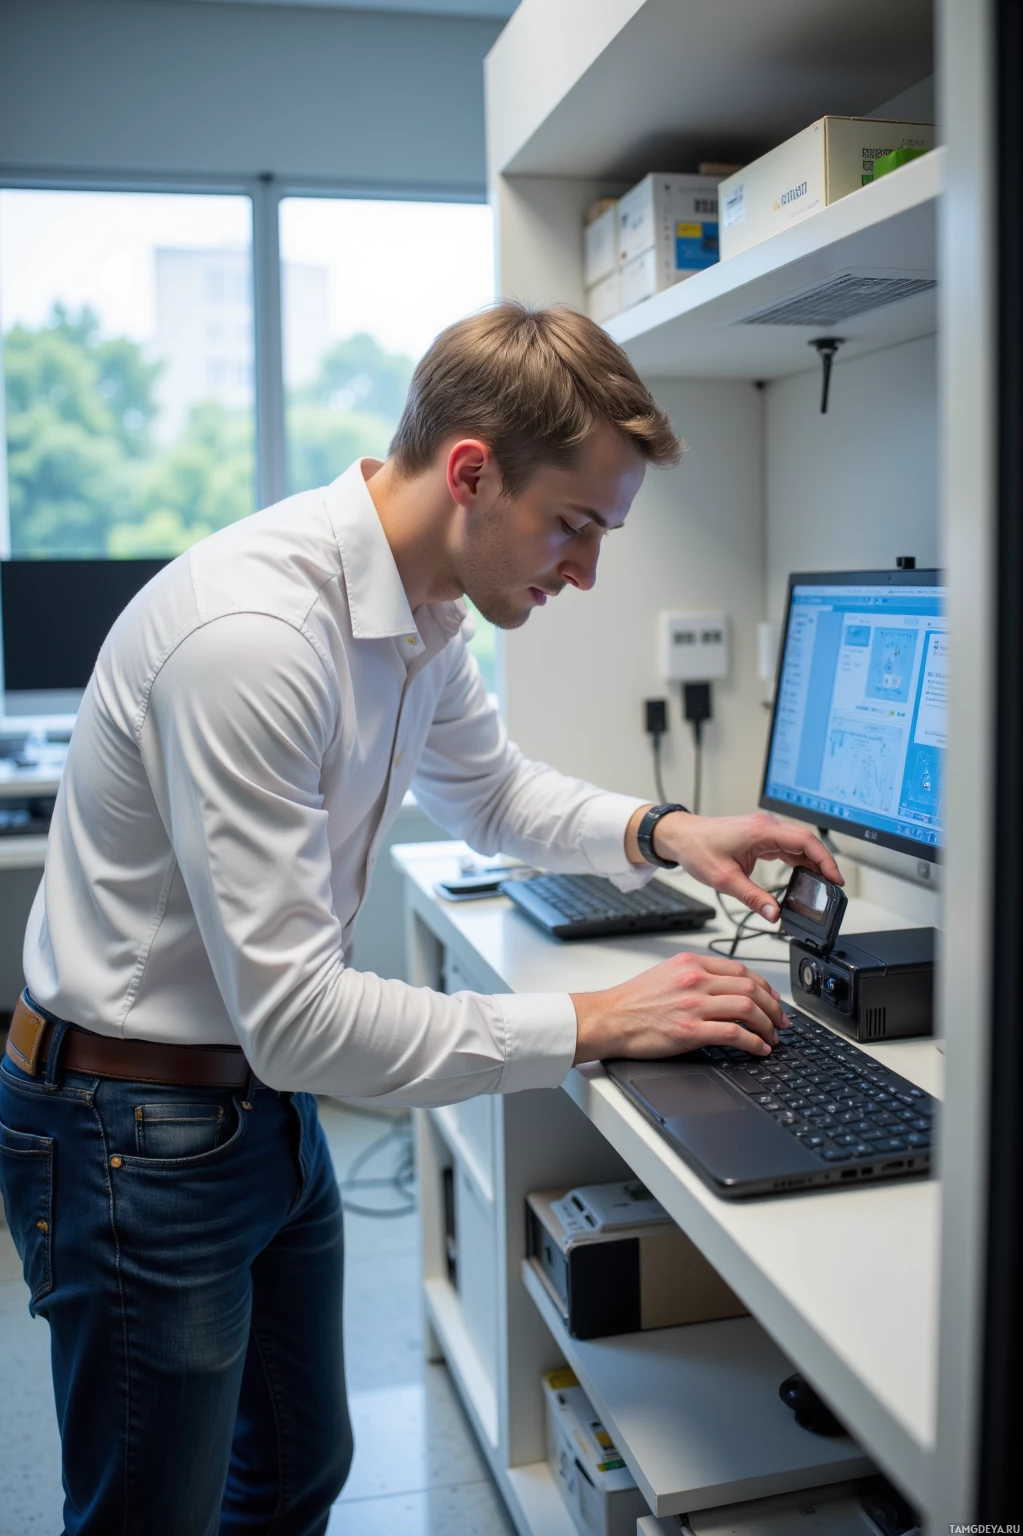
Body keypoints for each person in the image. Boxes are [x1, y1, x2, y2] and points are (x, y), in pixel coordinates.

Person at [0, 302, 841, 1535]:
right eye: (573, 525)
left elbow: (490, 793)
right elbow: (297, 1022)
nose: (586, 570)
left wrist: (670, 830)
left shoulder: (424, 608)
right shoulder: (256, 640)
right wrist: (595, 1018)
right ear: (470, 470)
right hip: (132, 1129)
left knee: (295, 1474)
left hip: (251, 1108)